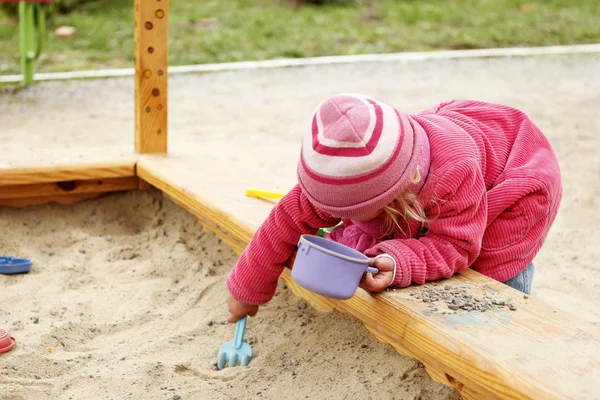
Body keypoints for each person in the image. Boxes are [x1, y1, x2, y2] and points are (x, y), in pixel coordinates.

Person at [226, 93, 562, 323]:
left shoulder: (455, 172)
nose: (330, 215)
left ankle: (502, 321)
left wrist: (397, 262)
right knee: (377, 231)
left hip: (517, 187)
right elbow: (285, 221)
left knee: (481, 278)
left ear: (397, 192)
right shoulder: (343, 171)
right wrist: (247, 290)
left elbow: (457, 246)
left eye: (350, 210)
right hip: (445, 166)